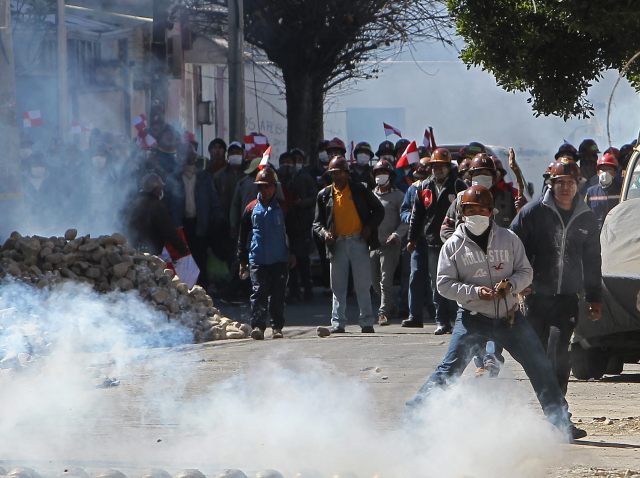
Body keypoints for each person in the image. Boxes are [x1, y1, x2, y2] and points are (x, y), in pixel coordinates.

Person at [406, 185, 587, 441]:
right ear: (461, 212)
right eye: (470, 209)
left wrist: (511, 285)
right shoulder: (453, 246)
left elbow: (526, 272)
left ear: (491, 212)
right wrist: (475, 292)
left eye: (481, 209)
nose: (476, 213)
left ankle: (560, 422)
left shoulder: (509, 239)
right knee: (449, 370)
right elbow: (444, 284)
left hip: (510, 318)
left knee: (540, 368)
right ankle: (414, 415)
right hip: (472, 320)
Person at [511, 161, 602, 396]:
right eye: (560, 182)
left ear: (578, 185)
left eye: (571, 183)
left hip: (567, 299)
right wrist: (518, 284)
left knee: (560, 352)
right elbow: (512, 248)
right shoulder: (532, 213)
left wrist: (594, 298)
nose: (565, 187)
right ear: (550, 184)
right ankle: (547, 406)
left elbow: (592, 260)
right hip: (535, 297)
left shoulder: (587, 218)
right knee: (537, 356)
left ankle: (559, 411)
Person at [314, 156, 385, 335]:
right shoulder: (324, 195)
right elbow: (316, 223)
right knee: (338, 286)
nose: (336, 176)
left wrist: (368, 227)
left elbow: (378, 210)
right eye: (333, 173)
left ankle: (367, 321)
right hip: (337, 244)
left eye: (339, 172)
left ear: (346, 173)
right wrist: (325, 234)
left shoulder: (359, 190)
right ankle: (338, 322)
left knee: (362, 284)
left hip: (358, 241)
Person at [407, 147, 467, 334]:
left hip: (456, 243)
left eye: (441, 166)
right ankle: (441, 321)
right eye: (434, 166)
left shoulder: (459, 186)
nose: (437, 170)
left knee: (458, 281)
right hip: (432, 242)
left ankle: (458, 320)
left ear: (449, 167)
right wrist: (412, 238)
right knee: (438, 283)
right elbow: (417, 215)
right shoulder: (424, 187)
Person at [238, 168, 295, 340]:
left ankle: (277, 327)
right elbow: (243, 235)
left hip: (279, 258)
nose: (265, 190)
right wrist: (242, 259)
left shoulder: (283, 208)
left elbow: (293, 231)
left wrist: (293, 253)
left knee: (278, 294)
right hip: (257, 258)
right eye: (262, 187)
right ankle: (258, 326)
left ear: (274, 187)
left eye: (268, 186)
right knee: (259, 293)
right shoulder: (250, 209)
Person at [370, 159, 408, 325]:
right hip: (372, 244)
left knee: (386, 280)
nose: (380, 176)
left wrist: (397, 234)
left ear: (390, 176)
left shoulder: (399, 196)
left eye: (383, 173)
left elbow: (405, 220)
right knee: (374, 281)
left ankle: (383, 312)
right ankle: (391, 306)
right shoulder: (371, 195)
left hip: (390, 245)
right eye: (378, 173)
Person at [400, 156, 435, 328]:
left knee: (437, 278)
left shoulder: (439, 188)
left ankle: (440, 314)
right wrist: (412, 218)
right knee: (415, 277)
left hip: (437, 239)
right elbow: (404, 210)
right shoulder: (413, 189)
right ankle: (415, 315)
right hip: (419, 240)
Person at [126, 173, 188, 256]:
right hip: (152, 251)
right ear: (156, 189)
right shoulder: (157, 206)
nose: (162, 190)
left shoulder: (134, 203)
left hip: (135, 249)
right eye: (161, 188)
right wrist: (182, 248)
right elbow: (169, 231)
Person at [286, 148, 319, 302]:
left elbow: (314, 197)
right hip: (289, 222)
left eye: (299, 159)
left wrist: (302, 203)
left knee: (303, 259)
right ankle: (293, 290)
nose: (295, 163)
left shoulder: (306, 177)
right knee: (290, 258)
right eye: (294, 160)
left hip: (303, 222)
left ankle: (307, 289)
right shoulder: (285, 176)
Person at [585, 152, 622, 230]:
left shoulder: (621, 190)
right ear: (598, 172)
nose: (605, 173)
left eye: (609, 169)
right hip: (596, 233)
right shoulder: (591, 192)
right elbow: (585, 214)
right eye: (603, 169)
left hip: (616, 230)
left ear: (615, 173)